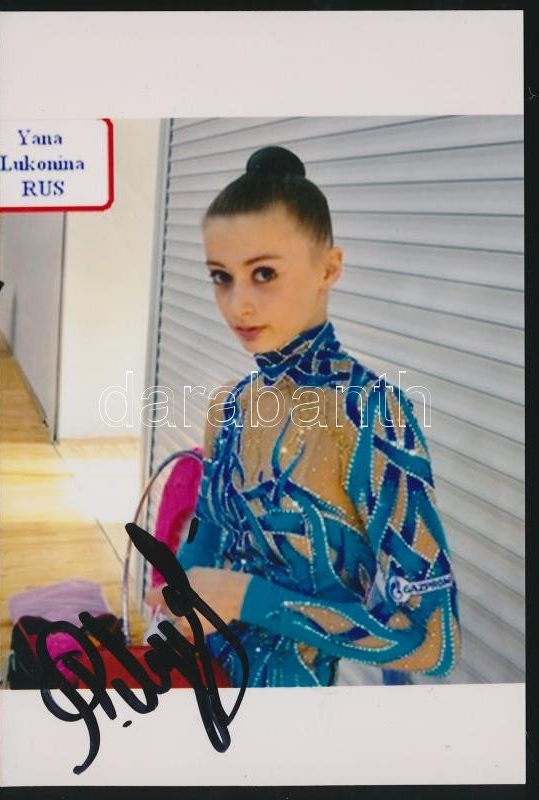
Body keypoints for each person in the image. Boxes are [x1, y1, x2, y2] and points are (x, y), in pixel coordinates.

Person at [146, 145, 461, 688]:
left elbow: (434, 642)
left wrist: (247, 598)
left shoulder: (369, 414)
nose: (237, 305)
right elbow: (206, 535)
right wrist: (175, 594)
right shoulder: (228, 406)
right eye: (221, 277)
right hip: (200, 685)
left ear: (328, 268)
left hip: (292, 715)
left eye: (264, 273)